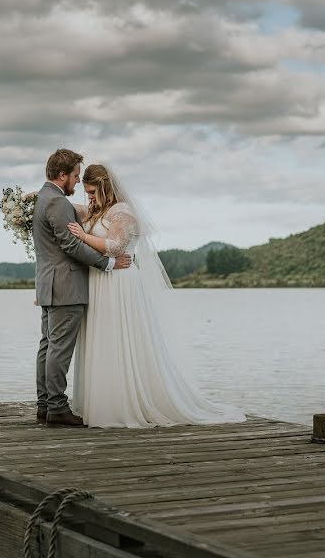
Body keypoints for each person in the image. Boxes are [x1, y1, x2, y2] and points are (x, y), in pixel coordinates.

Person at [66, 164, 245, 428]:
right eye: (86, 191)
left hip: (120, 284)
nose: (89, 197)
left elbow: (115, 247)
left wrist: (82, 236)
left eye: (92, 191)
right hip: (100, 282)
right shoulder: (96, 211)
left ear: (104, 187)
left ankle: (124, 403)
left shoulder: (122, 212)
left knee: (120, 340)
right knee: (102, 339)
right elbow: (69, 208)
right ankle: (103, 402)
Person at [33, 149, 132, 427]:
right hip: (66, 285)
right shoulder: (57, 203)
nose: (77, 183)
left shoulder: (43, 198)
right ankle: (56, 407)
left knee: (48, 346)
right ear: (62, 174)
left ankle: (45, 405)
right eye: (76, 176)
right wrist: (108, 264)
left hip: (50, 284)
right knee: (58, 349)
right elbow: (71, 246)